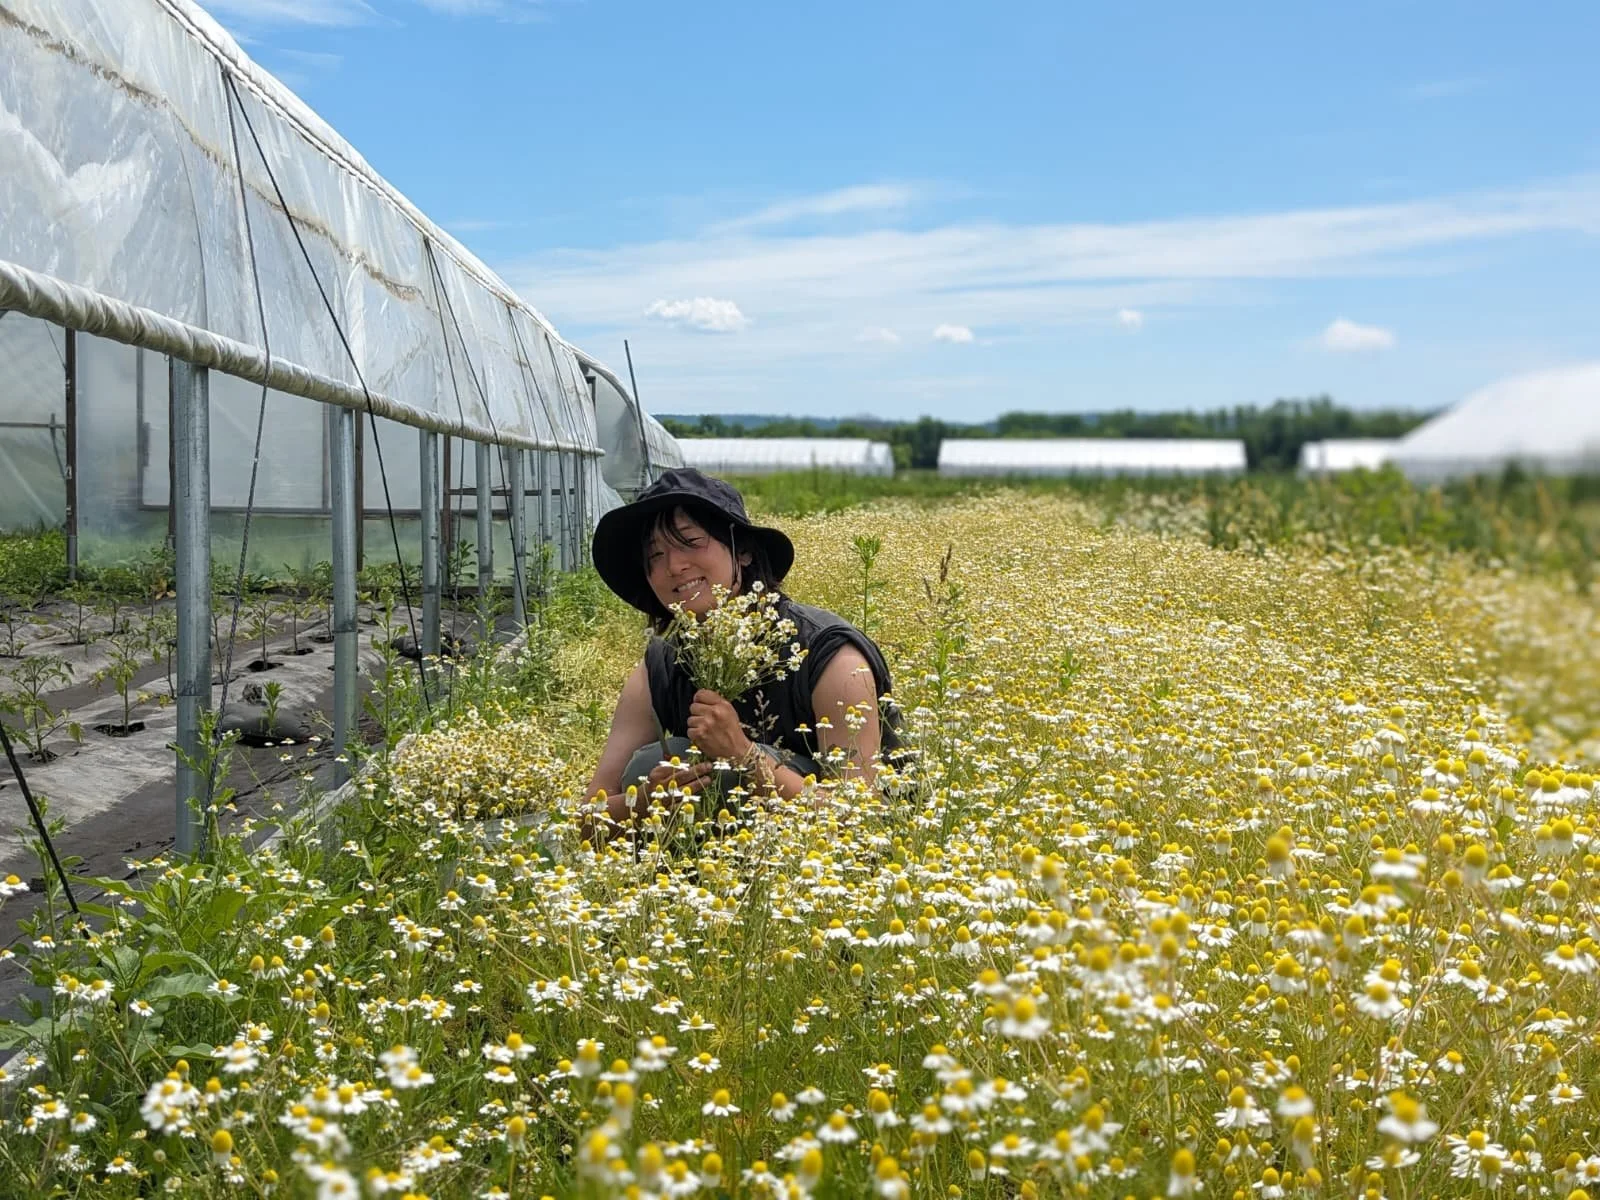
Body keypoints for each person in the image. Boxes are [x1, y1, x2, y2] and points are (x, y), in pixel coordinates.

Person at [582, 468, 901, 837]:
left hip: (816, 866)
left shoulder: (828, 656)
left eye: (690, 541)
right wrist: (646, 801)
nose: (673, 566)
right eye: (654, 555)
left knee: (716, 768)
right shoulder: (662, 666)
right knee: (651, 766)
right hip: (708, 877)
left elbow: (863, 815)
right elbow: (587, 818)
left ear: (743, 551)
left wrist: (746, 758)